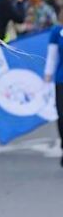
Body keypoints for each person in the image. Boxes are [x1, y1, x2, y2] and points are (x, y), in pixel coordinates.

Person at [44, 14, 63, 165]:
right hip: (61, 79)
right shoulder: (57, 31)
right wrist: (48, 74)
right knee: (62, 115)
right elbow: (52, 55)